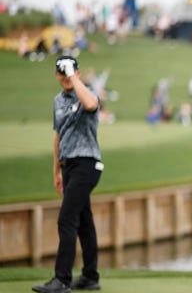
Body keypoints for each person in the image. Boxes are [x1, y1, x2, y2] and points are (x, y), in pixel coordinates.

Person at [33, 56, 103, 293]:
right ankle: (90, 276)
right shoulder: (57, 101)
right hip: (69, 166)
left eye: (69, 72)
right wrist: (57, 170)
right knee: (83, 220)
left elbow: (91, 105)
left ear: (78, 73)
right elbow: (58, 135)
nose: (65, 77)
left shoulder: (87, 93)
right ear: (56, 76)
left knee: (66, 219)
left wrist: (73, 76)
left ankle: (62, 280)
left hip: (87, 163)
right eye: (61, 73)